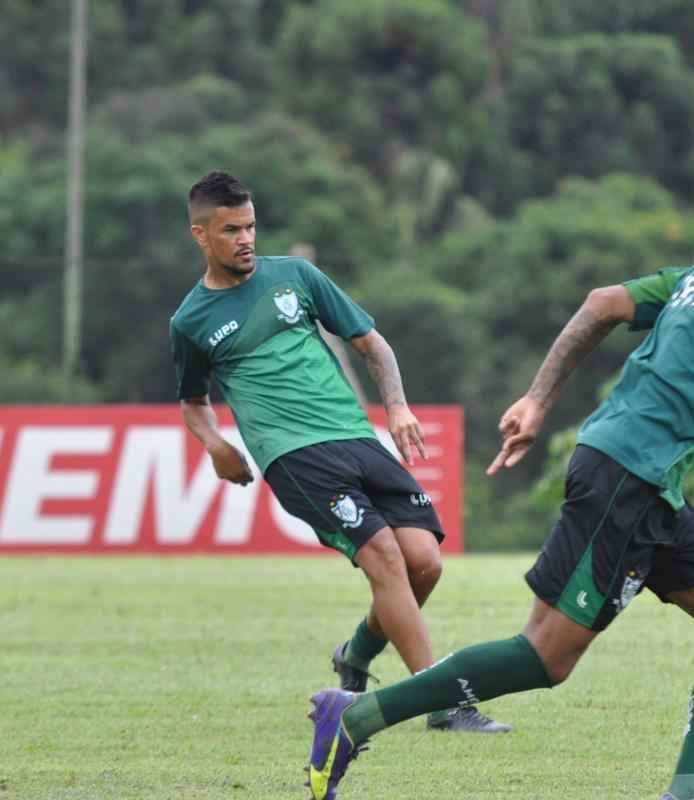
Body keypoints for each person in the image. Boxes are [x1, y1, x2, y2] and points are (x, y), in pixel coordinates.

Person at [302, 179, 694, 800]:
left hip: (647, 480)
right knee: (545, 657)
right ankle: (353, 716)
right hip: (627, 477)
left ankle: (691, 788)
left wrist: (538, 399)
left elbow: (602, 302)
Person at [169, 171, 509, 735]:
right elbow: (192, 400)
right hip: (295, 456)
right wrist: (216, 445)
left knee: (424, 562)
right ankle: (443, 703)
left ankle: (354, 655)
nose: (246, 239)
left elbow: (372, 345)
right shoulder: (190, 321)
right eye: (231, 230)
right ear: (201, 236)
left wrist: (396, 407)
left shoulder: (296, 276)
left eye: (251, 226)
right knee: (385, 559)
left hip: (355, 435)